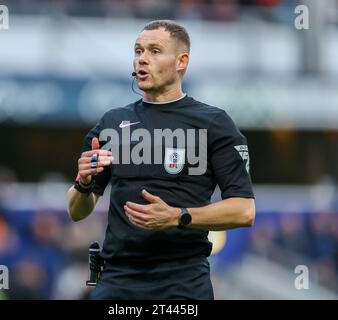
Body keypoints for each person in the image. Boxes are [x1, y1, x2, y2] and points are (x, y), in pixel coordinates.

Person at [67, 20, 255, 300]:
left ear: (182, 61)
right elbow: (77, 211)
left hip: (182, 282)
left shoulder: (214, 124)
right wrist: (83, 184)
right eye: (138, 50)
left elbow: (244, 211)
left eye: (155, 51)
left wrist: (177, 216)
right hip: (118, 280)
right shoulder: (111, 123)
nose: (142, 58)